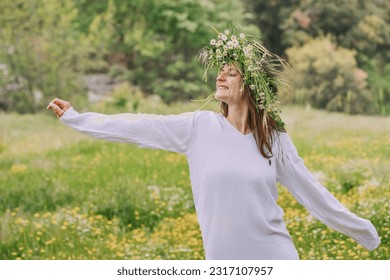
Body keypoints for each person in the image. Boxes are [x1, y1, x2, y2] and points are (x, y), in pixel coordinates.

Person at [47, 28, 380, 260]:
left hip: (275, 258)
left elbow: (313, 192)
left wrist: (363, 231)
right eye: (220, 71)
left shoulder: (274, 140)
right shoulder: (199, 127)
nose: (220, 77)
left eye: (231, 73)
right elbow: (139, 125)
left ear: (251, 85)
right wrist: (78, 118)